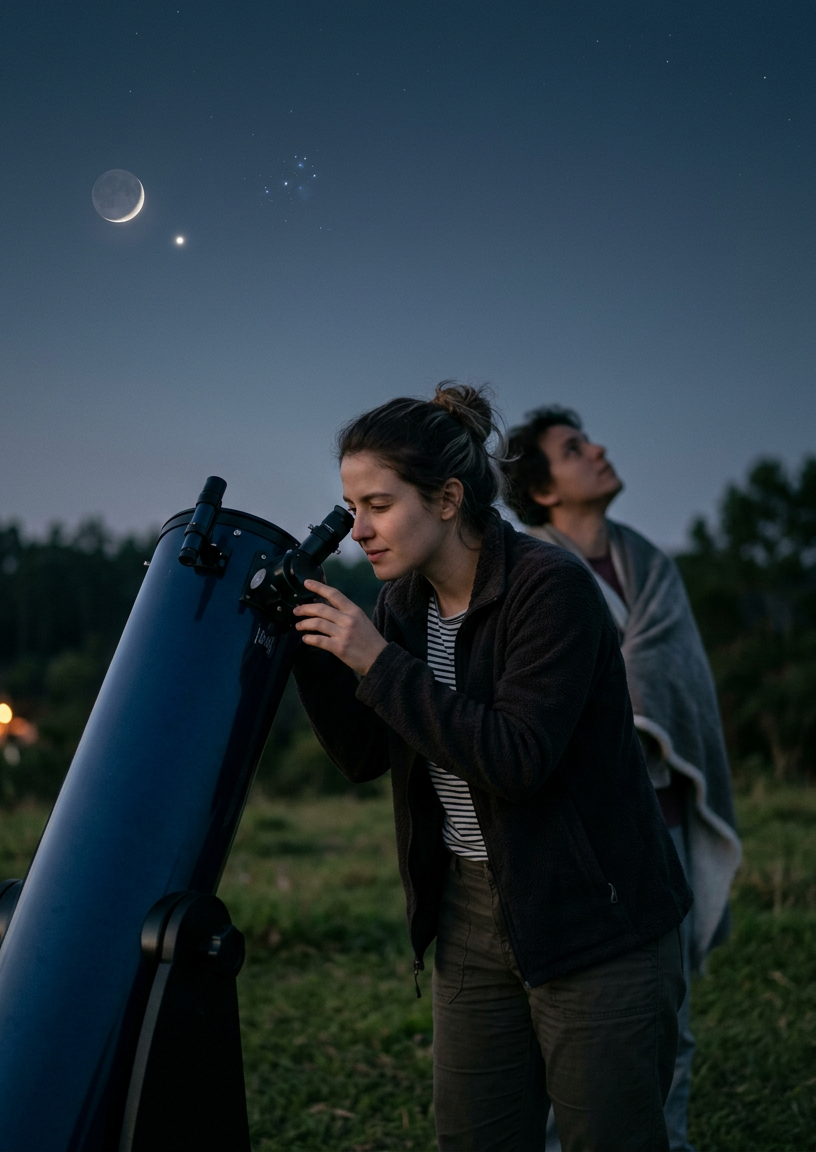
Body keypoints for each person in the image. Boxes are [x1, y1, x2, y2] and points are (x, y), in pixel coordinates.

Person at [292, 383, 691, 1151]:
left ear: (446, 499)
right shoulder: (404, 604)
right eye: (351, 507)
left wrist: (377, 662)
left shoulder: (551, 591)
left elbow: (516, 759)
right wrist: (312, 649)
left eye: (377, 504)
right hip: (470, 914)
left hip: (594, 913)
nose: (358, 530)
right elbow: (364, 755)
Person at [503, 406, 742, 1152]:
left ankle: (666, 1143)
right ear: (542, 491)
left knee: (665, 1010)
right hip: (577, 831)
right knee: (575, 1014)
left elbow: (673, 678)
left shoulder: (650, 563)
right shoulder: (525, 571)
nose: (597, 450)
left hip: (660, 818)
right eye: (574, 449)